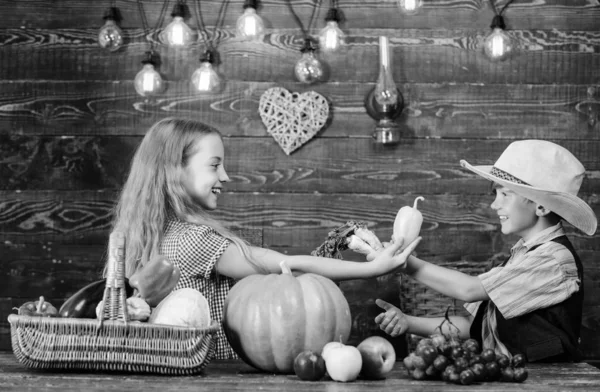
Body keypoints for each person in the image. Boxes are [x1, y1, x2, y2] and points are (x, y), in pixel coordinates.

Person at [106, 117, 421, 359]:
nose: (225, 176)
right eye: (214, 165)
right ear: (175, 171)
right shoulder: (194, 240)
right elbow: (286, 269)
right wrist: (370, 269)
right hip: (219, 374)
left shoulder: (142, 235)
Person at [372, 140, 597, 362]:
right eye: (495, 194)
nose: (494, 204)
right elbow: (472, 328)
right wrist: (408, 322)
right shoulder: (520, 257)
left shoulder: (553, 259)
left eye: (505, 195)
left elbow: (469, 289)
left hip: (548, 383)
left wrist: (406, 263)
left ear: (541, 206)